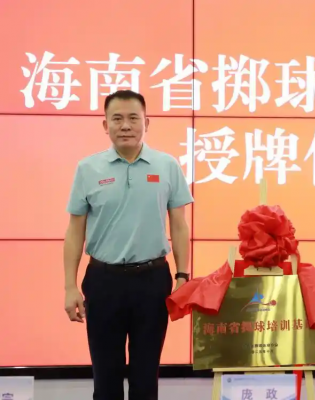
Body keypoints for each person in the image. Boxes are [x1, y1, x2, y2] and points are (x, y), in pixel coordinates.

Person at [62, 90, 194, 400]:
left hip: (152, 280)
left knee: (145, 375)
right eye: (117, 118)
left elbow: (179, 225)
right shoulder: (88, 168)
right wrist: (69, 286)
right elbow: (75, 230)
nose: (125, 125)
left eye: (133, 118)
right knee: (105, 376)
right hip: (103, 280)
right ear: (105, 125)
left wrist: (182, 276)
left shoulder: (167, 165)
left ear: (146, 123)